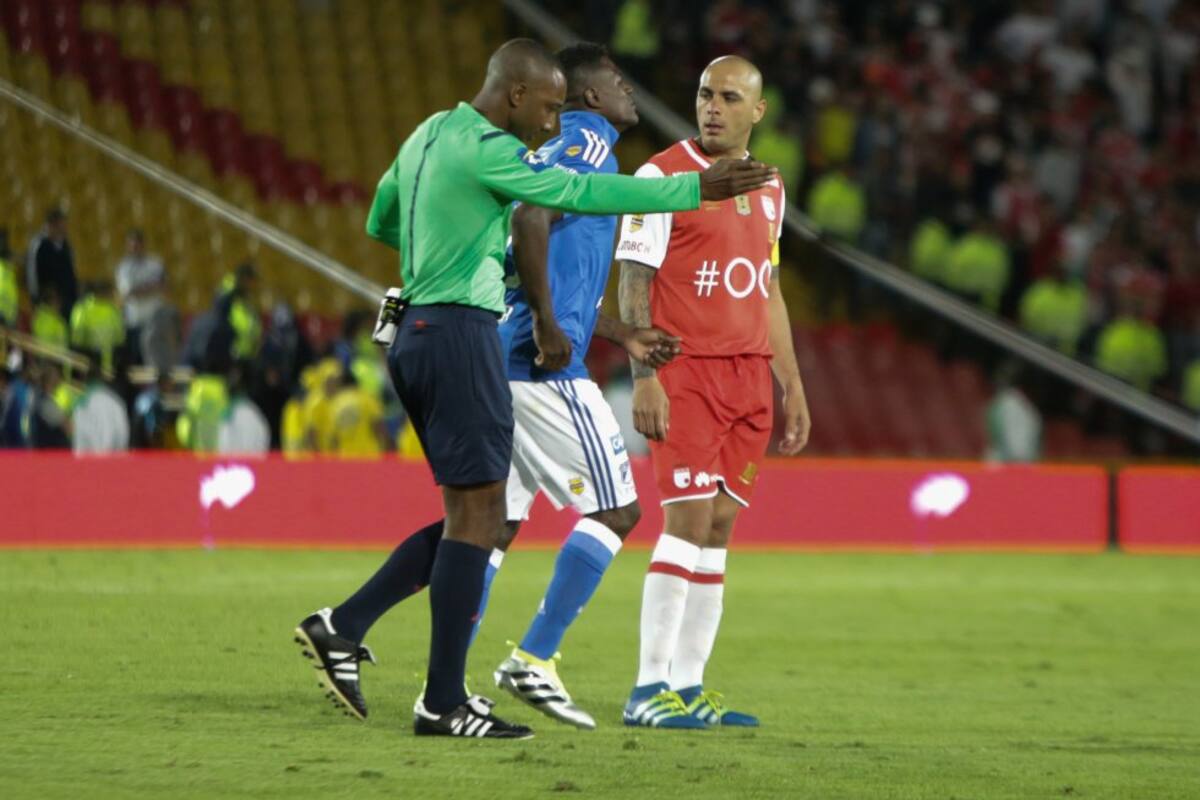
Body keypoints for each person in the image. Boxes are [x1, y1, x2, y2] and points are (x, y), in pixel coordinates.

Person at [292, 38, 775, 740]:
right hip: (469, 337)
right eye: (549, 107)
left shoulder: (431, 131)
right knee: (599, 509)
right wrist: (685, 190)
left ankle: (356, 632)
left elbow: (381, 218)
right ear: (521, 95)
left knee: (484, 521)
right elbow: (564, 198)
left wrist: (455, 249)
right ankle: (492, 674)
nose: (552, 123)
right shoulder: (523, 148)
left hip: (420, 335)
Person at [470, 43, 680, 730]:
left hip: (506, 355)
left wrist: (623, 335)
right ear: (592, 97)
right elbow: (532, 217)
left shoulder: (562, 147)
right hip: (543, 365)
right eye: (620, 82)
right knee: (620, 511)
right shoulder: (589, 144)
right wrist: (547, 321)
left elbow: (554, 263)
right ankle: (533, 658)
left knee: (492, 527)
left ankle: (431, 675)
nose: (630, 92)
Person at [616, 55, 810, 728]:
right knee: (687, 522)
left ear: (758, 111)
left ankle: (689, 686)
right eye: (704, 94)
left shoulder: (771, 187)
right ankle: (647, 690)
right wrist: (645, 376)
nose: (713, 107)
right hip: (686, 371)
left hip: (748, 376)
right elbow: (634, 278)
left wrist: (792, 382)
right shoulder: (662, 178)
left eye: (729, 97)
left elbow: (768, 288)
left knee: (720, 529)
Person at [114, 228, 166, 362]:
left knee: (154, 360)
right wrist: (151, 287)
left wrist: (143, 289)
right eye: (131, 245)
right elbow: (128, 292)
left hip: (154, 321)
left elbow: (163, 285)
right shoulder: (124, 268)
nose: (134, 248)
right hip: (134, 321)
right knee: (136, 360)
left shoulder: (155, 263)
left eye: (137, 244)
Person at [72, 351, 130, 454]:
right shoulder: (116, 401)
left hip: (87, 464)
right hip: (111, 463)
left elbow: (79, 440)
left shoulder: (80, 403)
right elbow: (122, 436)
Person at [26, 208, 78, 319]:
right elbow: (32, 275)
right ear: (51, 225)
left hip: (67, 301)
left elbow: (71, 271)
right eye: (61, 226)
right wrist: (36, 299)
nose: (65, 229)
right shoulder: (39, 245)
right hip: (48, 303)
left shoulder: (65, 245)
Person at [69, 281, 125, 374]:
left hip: (90, 366)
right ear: (105, 292)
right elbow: (120, 339)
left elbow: (76, 341)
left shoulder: (81, 309)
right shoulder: (113, 310)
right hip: (108, 366)